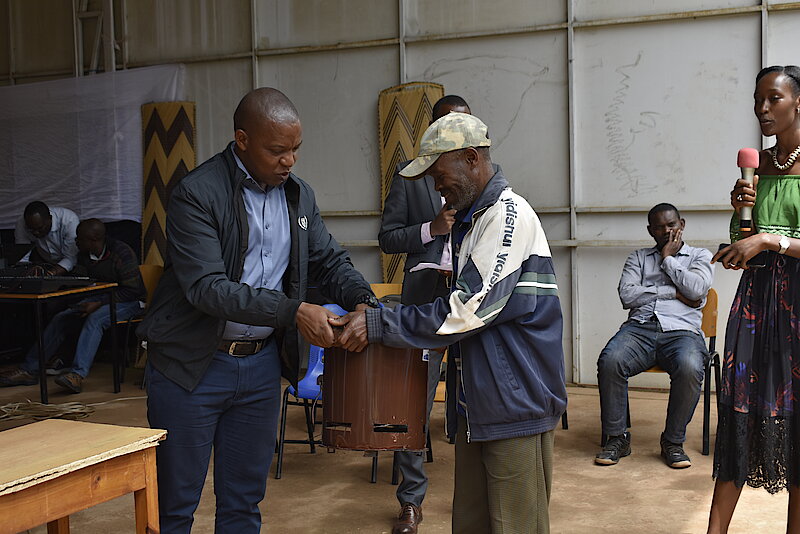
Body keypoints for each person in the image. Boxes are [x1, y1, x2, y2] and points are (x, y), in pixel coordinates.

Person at [137, 87, 378, 534]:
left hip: (260, 369)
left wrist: (364, 302)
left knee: (244, 503)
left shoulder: (298, 197)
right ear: (242, 140)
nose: (289, 161)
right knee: (174, 504)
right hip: (191, 367)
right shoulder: (196, 193)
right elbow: (207, 288)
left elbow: (330, 261)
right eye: (277, 150)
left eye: (296, 149)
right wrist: (293, 311)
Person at [334, 112, 567, 534]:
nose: (436, 187)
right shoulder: (473, 220)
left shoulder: (507, 217)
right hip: (481, 405)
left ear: (472, 158)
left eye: (439, 175)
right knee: (472, 524)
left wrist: (380, 322)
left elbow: (465, 311)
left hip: (515, 406)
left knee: (517, 526)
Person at [708, 65, 800, 534]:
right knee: (739, 411)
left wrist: (769, 240)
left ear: (799, 102)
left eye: (774, 98)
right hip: (755, 306)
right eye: (757, 99)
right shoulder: (757, 167)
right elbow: (741, 246)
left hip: (798, 309)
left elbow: (770, 241)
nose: (763, 108)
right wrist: (741, 223)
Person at [378, 94, 475, 534]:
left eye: (465, 124)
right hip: (424, 300)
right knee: (413, 399)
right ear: (432, 130)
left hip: (472, 300)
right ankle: (411, 502)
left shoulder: (481, 179)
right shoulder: (410, 177)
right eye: (448, 124)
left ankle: (483, 491)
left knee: (481, 392)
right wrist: (430, 229)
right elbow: (387, 238)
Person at [594, 203, 713, 468]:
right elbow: (627, 295)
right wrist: (674, 292)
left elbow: (696, 291)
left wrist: (668, 259)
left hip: (682, 332)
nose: (666, 231)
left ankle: (672, 442)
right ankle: (617, 438)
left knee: (690, 366)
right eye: (659, 227)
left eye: (671, 225)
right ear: (651, 231)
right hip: (640, 329)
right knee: (610, 360)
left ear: (682, 225)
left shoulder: (700, 256)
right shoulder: (638, 258)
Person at [0, 218, 146, 393]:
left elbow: (133, 290)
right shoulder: (84, 255)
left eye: (80, 238)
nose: (76, 241)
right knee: (61, 318)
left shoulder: (121, 253)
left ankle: (77, 374)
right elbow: (85, 282)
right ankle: (29, 370)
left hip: (130, 302)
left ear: (93, 240)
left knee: (95, 319)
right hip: (100, 298)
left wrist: (99, 303)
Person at [14, 201, 79, 275]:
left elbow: (70, 258)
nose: (36, 232)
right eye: (31, 229)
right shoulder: (22, 223)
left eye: (40, 228)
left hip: (71, 266)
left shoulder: (69, 220)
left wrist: (49, 274)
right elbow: (22, 256)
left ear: (50, 218)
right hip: (43, 261)